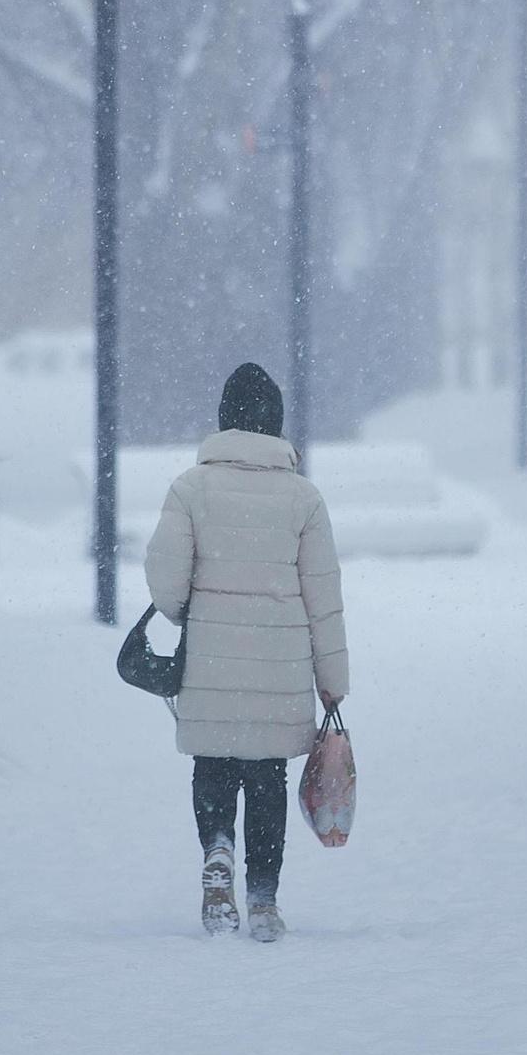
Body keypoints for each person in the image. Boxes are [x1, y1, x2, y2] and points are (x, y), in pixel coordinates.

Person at [143, 362, 347, 941]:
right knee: (265, 780)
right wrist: (332, 678)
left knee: (213, 766)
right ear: (275, 425)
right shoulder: (304, 499)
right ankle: (262, 900)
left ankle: (218, 849)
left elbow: (164, 581)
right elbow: (324, 600)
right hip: (280, 668)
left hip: (209, 661)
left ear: (224, 421)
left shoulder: (189, 489)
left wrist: (190, 609)